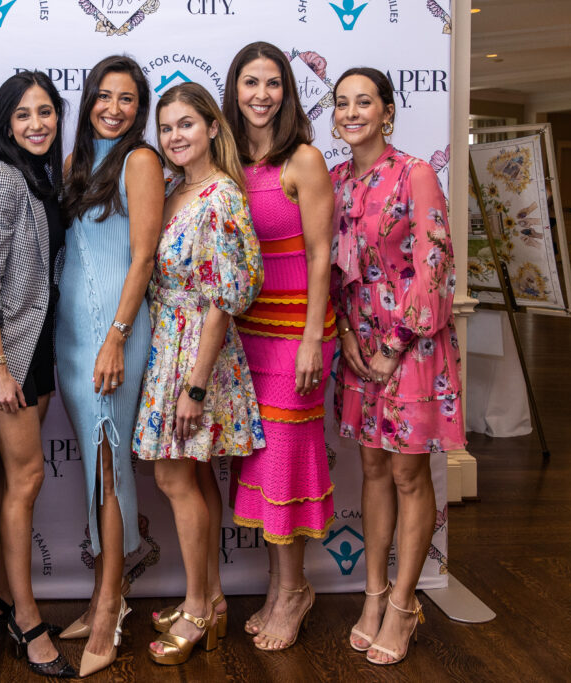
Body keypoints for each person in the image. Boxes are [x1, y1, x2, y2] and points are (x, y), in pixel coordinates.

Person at [329, 67, 465, 666]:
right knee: (372, 471)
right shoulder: (333, 180)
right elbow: (326, 269)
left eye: (364, 102)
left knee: (410, 478)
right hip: (357, 347)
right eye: (341, 103)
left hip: (412, 347)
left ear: (387, 111)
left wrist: (393, 346)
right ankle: (374, 594)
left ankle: (405, 605)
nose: (351, 112)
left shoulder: (416, 173)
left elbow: (436, 266)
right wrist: (343, 335)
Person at [135, 82, 265, 666]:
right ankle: (211, 599)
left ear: (213, 127)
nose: (175, 136)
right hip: (168, 343)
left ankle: (194, 605)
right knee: (194, 476)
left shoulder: (221, 197)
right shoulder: (171, 189)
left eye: (186, 124)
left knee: (175, 479)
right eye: (166, 128)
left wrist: (195, 385)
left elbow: (222, 299)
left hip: (197, 353)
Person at [222, 41, 337, 651]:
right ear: (234, 91)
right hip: (244, 339)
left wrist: (314, 338)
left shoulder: (304, 161)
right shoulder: (228, 163)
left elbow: (321, 256)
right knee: (259, 464)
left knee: (286, 462)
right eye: (250, 82)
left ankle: (294, 590)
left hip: (296, 335)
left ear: (287, 93)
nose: (261, 95)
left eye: (272, 83)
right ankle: (277, 587)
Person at [56, 55, 164, 678]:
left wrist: (118, 337)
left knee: (108, 456)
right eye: (104, 96)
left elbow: (143, 256)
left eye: (127, 99)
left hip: (112, 332)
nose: (114, 108)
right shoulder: (76, 164)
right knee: (95, 464)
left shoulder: (140, 161)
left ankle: (110, 608)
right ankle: (104, 589)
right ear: (89, 99)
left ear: (139, 107)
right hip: (71, 333)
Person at [0, 71, 76, 679]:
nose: (37, 123)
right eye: (23, 114)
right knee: (27, 477)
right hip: (5, 355)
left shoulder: (42, 180)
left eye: (46, 112)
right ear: (5, 123)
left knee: (9, 475)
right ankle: (26, 617)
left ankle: (0, 595)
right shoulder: (4, 182)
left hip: (33, 350)